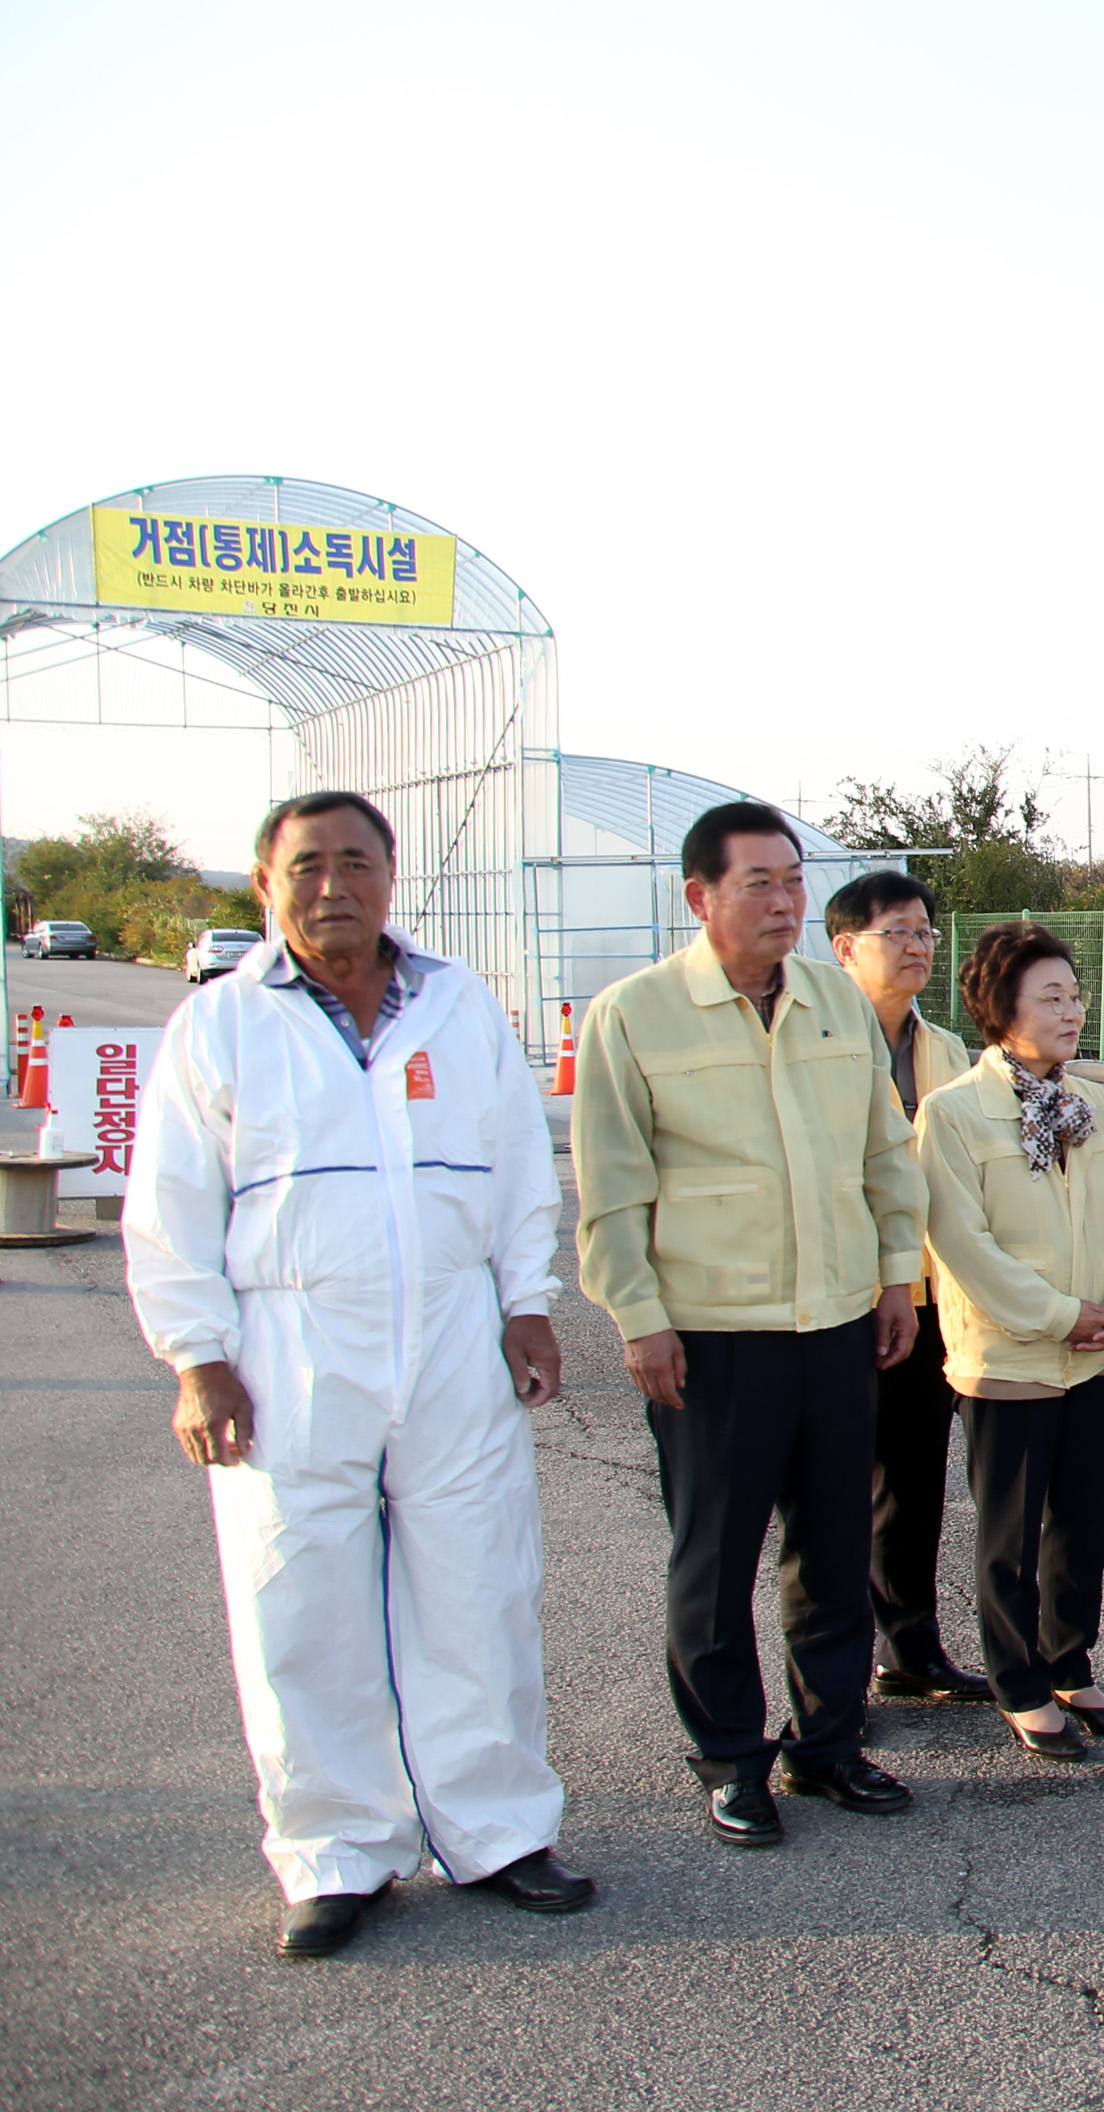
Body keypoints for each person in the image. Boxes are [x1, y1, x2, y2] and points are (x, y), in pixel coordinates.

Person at [125, 791, 593, 1959]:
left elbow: (511, 1164)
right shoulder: (221, 1025)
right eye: (307, 866)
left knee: (478, 1583)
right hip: (287, 1349)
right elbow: (170, 1204)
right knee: (300, 1603)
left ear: (392, 876)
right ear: (263, 885)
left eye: (355, 863)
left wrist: (525, 1302)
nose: (333, 885)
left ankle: (496, 1832)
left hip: (449, 1334)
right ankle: (337, 1852)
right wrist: (196, 1359)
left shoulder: (456, 1004)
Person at [573, 801, 928, 1848]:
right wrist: (639, 1319)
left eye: (792, 879)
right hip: (712, 1334)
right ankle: (732, 1758)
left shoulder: (832, 999)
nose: (784, 901)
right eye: (758, 883)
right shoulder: (635, 1015)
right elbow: (610, 1191)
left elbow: (881, 1153)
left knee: (832, 1548)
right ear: (701, 897)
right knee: (715, 1558)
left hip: (835, 1324)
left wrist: (896, 1279)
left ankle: (830, 1744)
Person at [919, 925, 1104, 1759]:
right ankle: (1018, 1683)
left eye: (1075, 995)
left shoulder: (1089, 1105)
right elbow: (962, 1243)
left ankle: (1069, 1664)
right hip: (1010, 1355)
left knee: (1079, 1524)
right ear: (999, 1007)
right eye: (1050, 997)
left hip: (1095, 1352)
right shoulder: (950, 1112)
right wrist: (1062, 1314)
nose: (1071, 1011)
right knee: (1010, 1536)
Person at [825, 870, 987, 1706]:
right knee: (835, 1488)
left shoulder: (946, 1049)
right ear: (845, 947)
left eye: (926, 931)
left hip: (929, 1300)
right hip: (845, 1294)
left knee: (915, 1477)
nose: (920, 946)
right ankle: (835, 1671)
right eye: (900, 932)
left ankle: (911, 1644)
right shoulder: (816, 1042)